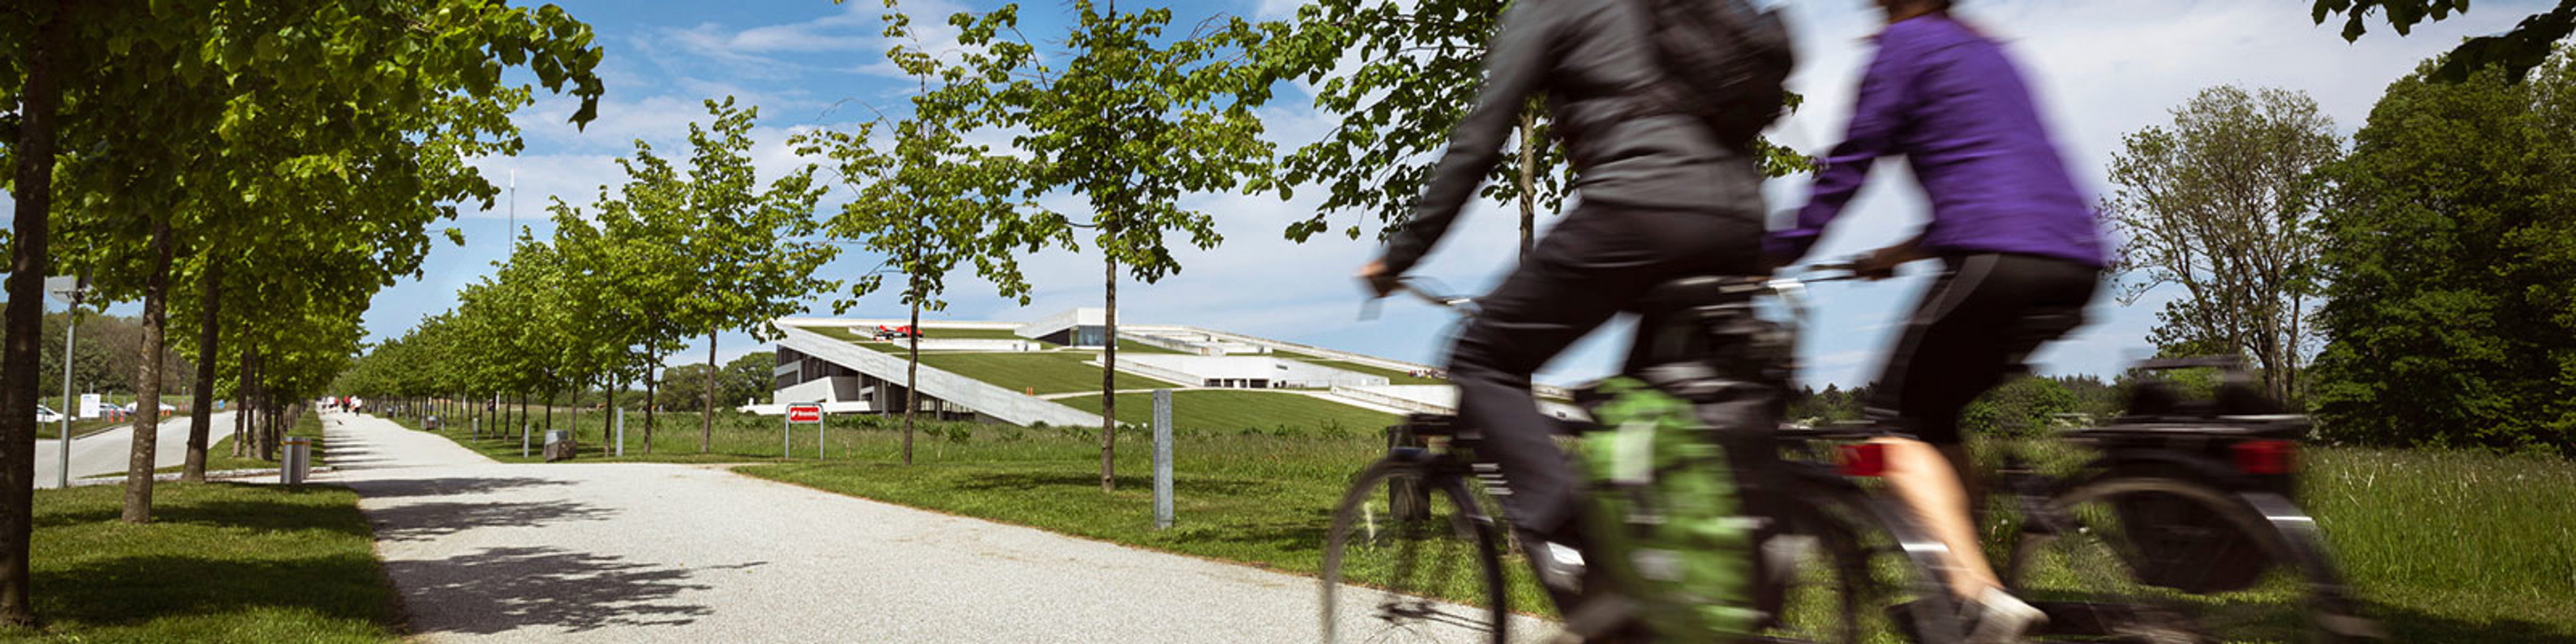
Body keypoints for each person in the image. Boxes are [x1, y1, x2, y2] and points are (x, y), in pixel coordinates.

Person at [1354, 0, 1777, 616]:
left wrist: (1401, 254)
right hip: (1739, 212)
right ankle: (1660, 587)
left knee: (1482, 359)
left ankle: (1593, 570)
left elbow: (1479, 139)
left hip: (1641, 208)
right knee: (1636, 414)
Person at [1767, 1, 2107, 641]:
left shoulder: (1905, 45)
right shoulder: (1985, 47)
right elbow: (1997, 174)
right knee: (1936, 416)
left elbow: (1848, 163)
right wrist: (1897, 254)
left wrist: (1779, 249)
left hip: (1997, 260)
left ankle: (1979, 597)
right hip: (2073, 261)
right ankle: (1966, 584)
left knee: (1887, 426)